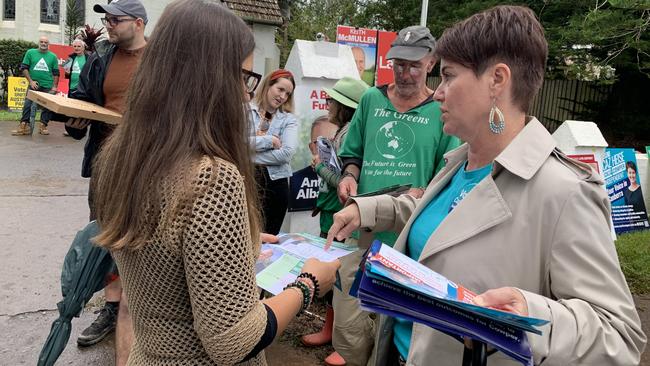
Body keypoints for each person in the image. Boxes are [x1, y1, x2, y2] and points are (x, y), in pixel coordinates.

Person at [328, 6, 647, 366]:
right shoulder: (458, 163)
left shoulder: (564, 190)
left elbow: (619, 336)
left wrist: (529, 314)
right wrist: (370, 208)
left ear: (497, 80)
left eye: (448, 76)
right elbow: (445, 223)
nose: (438, 93)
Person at [90, 1, 340, 364]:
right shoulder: (212, 179)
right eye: (242, 77)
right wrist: (309, 283)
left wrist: (242, 244)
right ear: (207, 77)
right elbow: (234, 340)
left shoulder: (120, 155)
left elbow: (166, 265)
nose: (244, 94)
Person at [333, 25, 461, 366]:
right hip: (359, 230)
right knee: (346, 323)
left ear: (431, 64)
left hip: (407, 236)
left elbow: (447, 173)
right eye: (399, 64)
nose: (405, 73)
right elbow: (353, 153)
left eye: (414, 65)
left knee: (391, 327)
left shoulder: (440, 110)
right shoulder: (371, 99)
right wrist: (348, 176)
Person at [60, 0, 148, 362]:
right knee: (106, 235)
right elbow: (82, 99)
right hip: (105, 163)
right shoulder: (101, 59)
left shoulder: (163, 60)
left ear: (139, 23)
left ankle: (143, 309)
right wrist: (73, 122)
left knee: (143, 237)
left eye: (116, 19)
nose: (108, 25)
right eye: (106, 19)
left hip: (147, 166)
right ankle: (112, 310)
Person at [303, 77, 369, 366]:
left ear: (343, 107)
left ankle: (343, 342)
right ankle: (331, 331)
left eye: (332, 100)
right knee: (335, 272)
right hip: (330, 210)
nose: (327, 104)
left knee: (343, 275)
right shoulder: (345, 131)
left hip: (340, 212)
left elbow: (343, 182)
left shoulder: (350, 134)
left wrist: (318, 165)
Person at [250, 69, 298, 234]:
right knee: (247, 237)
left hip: (276, 185)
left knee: (270, 239)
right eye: (280, 89)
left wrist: (250, 154)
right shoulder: (245, 110)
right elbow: (236, 142)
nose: (283, 97)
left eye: (287, 94)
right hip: (248, 181)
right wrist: (269, 141)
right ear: (268, 85)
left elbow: (287, 153)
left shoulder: (289, 119)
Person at [11, 36, 59, 136]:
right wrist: (31, 81)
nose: (43, 44)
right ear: (39, 43)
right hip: (33, 85)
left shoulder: (53, 56)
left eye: (46, 42)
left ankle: (43, 126)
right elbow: (24, 68)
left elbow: (56, 73)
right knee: (27, 104)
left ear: (48, 44)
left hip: (47, 86)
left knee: (48, 106)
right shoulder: (30, 52)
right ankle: (24, 126)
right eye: (41, 42)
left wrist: (54, 86)